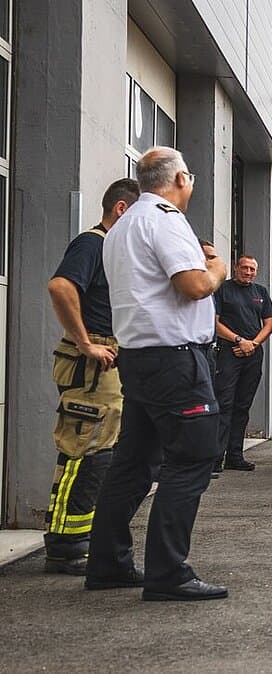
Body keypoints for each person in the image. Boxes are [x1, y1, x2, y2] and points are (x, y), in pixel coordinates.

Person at [87, 146, 229, 600]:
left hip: (138, 358)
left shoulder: (122, 226)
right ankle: (168, 573)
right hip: (176, 360)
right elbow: (194, 286)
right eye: (190, 177)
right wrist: (217, 267)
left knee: (132, 464)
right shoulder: (165, 220)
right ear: (180, 179)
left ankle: (107, 563)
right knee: (192, 458)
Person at [43, 178, 139, 576]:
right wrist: (86, 344)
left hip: (108, 359)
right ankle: (65, 546)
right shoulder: (92, 243)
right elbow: (60, 287)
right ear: (121, 209)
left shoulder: (111, 250)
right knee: (82, 449)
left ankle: (79, 540)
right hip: (92, 363)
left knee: (100, 452)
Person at [212, 255, 272, 473]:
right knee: (224, 404)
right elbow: (214, 323)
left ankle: (235, 456)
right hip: (228, 353)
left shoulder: (261, 292)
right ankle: (216, 458)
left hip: (253, 354)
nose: (248, 272)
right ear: (236, 268)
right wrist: (239, 340)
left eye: (252, 269)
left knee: (243, 406)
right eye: (245, 268)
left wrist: (253, 344)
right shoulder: (222, 289)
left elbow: (268, 325)